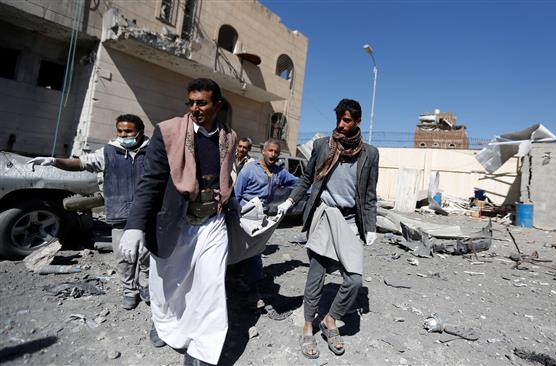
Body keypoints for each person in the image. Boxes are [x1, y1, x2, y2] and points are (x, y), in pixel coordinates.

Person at [119, 78, 237, 366]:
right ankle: (165, 324)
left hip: (212, 222)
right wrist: (134, 225)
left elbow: (226, 178)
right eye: (191, 102)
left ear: (217, 105)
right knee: (167, 285)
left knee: (210, 286)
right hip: (176, 220)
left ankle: (202, 350)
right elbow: (151, 182)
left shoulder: (229, 137)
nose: (195, 108)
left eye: (202, 102)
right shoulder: (168, 131)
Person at [277, 99, 378, 359]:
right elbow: (308, 178)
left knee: (354, 280)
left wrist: (371, 226)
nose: (341, 125)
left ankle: (330, 320)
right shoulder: (323, 146)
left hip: (349, 221)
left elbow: (368, 195)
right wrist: (290, 201)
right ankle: (309, 325)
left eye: (346, 120)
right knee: (316, 275)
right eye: (339, 120)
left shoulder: (370, 154)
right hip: (324, 214)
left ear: (357, 122)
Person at [29, 114, 150, 310]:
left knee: (146, 254)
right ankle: (130, 290)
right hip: (119, 214)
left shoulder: (154, 151)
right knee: (124, 256)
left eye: (128, 131)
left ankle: (145, 286)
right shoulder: (108, 152)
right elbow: (80, 164)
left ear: (140, 131)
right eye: (120, 131)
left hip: (146, 215)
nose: (123, 135)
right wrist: (55, 161)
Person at [232, 138, 298, 308]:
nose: (273, 154)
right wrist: (236, 217)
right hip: (244, 218)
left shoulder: (278, 172)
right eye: (271, 151)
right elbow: (236, 196)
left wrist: (314, 184)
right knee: (249, 254)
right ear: (263, 151)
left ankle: (249, 288)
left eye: (276, 152)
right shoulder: (248, 170)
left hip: (261, 220)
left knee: (252, 253)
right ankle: (250, 291)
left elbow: (299, 183)